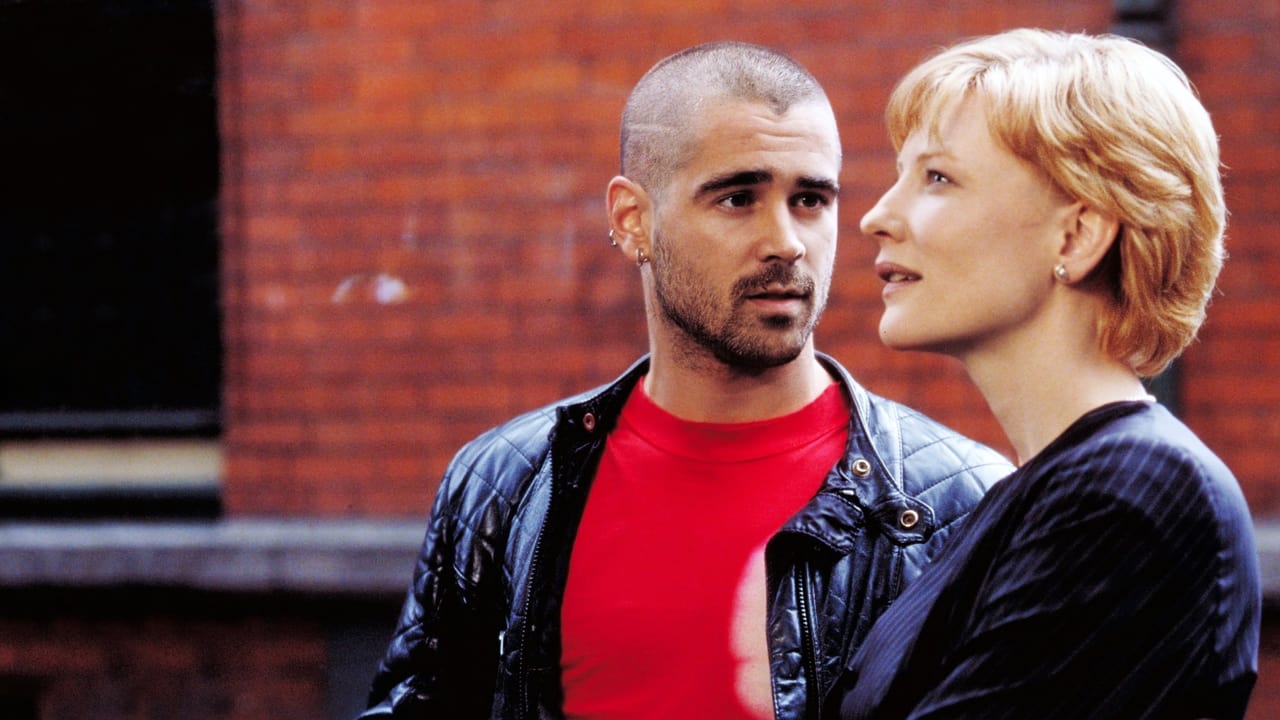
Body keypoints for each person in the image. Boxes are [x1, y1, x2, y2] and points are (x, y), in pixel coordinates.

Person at [358, 41, 1011, 720]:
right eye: (738, 198)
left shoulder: (959, 505)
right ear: (632, 220)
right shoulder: (507, 483)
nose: (787, 241)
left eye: (811, 199)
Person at [834, 28, 1262, 720]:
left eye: (938, 177)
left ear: (1077, 235)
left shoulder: (1129, 495)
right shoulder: (1045, 492)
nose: (877, 216)